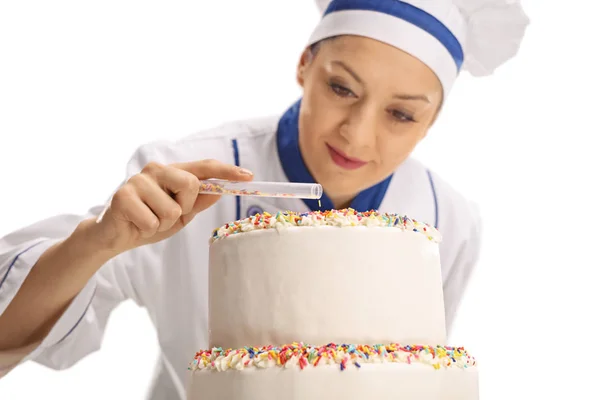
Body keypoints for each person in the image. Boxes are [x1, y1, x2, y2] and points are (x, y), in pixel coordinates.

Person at [0, 0, 529, 398]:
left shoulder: (450, 223)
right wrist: (99, 242)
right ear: (304, 66)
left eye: (401, 114)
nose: (357, 135)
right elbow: (11, 333)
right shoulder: (186, 180)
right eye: (342, 88)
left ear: (432, 122)